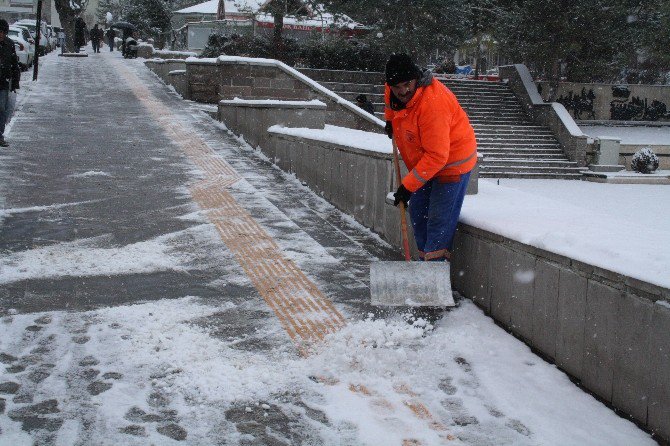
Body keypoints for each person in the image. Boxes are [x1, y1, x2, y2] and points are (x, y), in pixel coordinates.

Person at [384, 53, 477, 262]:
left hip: (453, 162)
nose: (402, 91)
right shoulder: (393, 88)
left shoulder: (432, 104)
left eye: (407, 85)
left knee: (438, 221)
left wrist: (407, 187)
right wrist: (390, 120)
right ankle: (424, 267)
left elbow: (437, 156)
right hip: (424, 161)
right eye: (396, 86)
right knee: (418, 214)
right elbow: (389, 99)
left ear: (416, 78)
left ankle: (434, 273)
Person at [0, 19, 20, 147]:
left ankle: (0, 134)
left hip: (3, 82)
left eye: (2, 32)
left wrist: (15, 82)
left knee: (2, 109)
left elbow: (14, 64)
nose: (0, 34)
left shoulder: (9, 44)